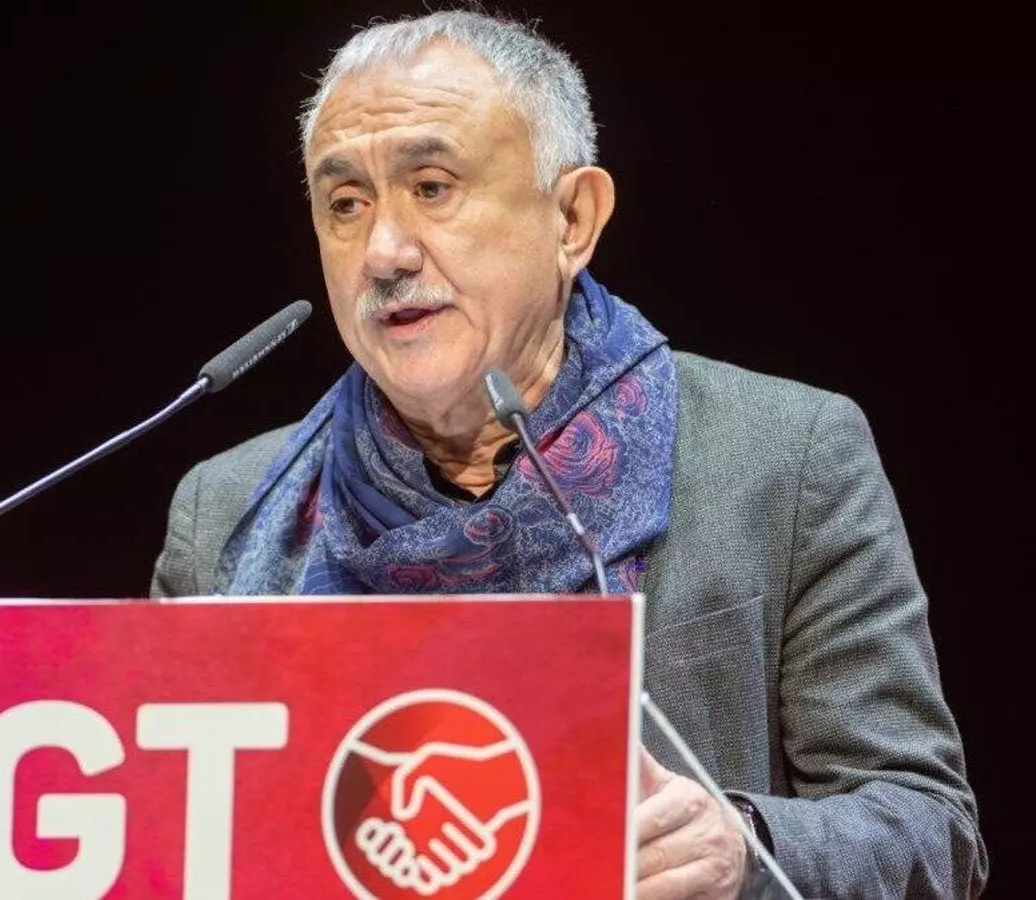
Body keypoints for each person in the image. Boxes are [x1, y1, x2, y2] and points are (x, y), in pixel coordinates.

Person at [148, 9, 987, 899]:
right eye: (346, 204)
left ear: (573, 219)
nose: (384, 252)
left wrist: (740, 846)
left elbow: (932, 830)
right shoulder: (227, 511)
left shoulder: (783, 460)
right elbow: (163, 841)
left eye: (432, 187)